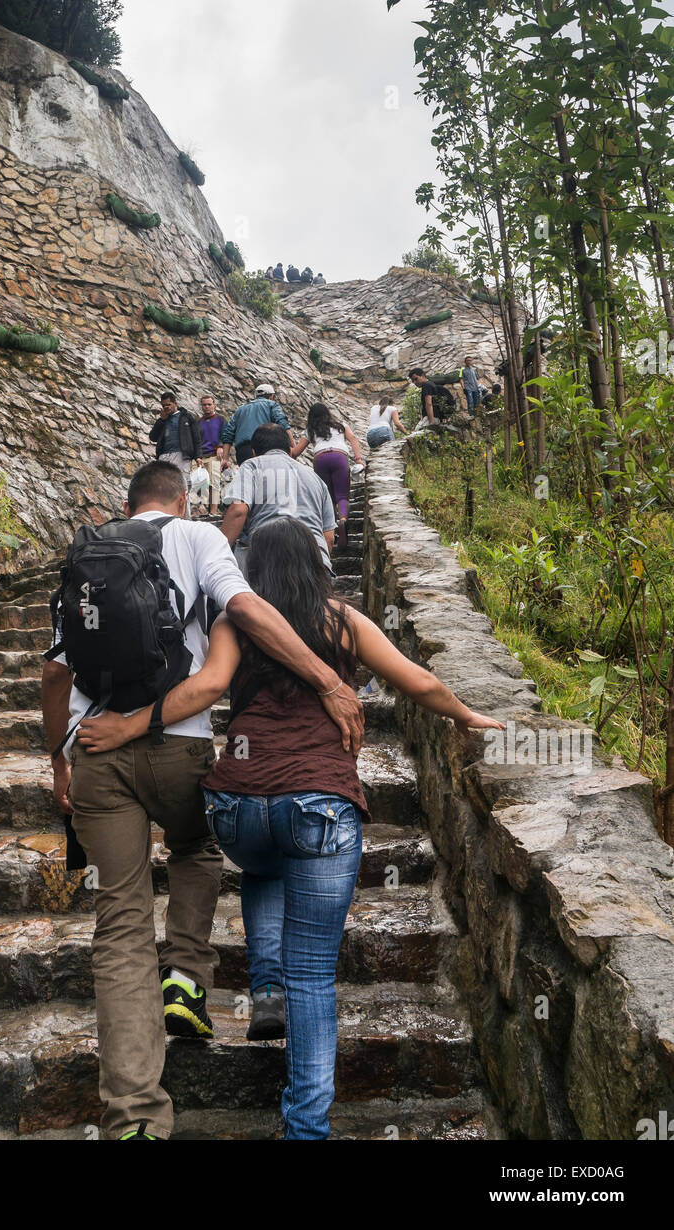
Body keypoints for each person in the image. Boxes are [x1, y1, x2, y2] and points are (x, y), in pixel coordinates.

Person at [78, 516, 505, 1141]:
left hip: (239, 808)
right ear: (315, 565)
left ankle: (267, 985)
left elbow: (211, 684)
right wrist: (470, 714)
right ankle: (305, 1124)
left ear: (254, 571)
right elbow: (418, 681)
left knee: (264, 861)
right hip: (320, 807)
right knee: (316, 973)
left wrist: (131, 723)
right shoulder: (342, 620)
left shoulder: (233, 624)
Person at [41, 463, 364, 1143]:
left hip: (94, 750)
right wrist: (326, 678)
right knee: (194, 845)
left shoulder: (87, 553)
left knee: (120, 926)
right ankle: (187, 974)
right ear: (182, 499)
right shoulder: (196, 538)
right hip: (179, 743)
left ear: (125, 503)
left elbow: (55, 669)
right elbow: (243, 609)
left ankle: (133, 1119)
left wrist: (58, 760)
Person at [221, 423, 336, 574]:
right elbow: (329, 537)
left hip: (270, 562)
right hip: (316, 561)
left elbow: (238, 510)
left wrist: (217, 554)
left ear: (254, 452)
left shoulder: (252, 466)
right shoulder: (315, 478)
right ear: (289, 451)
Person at [290, 403, 363, 551]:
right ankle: (342, 519)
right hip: (339, 456)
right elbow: (354, 438)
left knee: (327, 497)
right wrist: (359, 459)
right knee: (342, 496)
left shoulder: (310, 431)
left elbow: (295, 453)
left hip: (320, 458)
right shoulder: (340, 426)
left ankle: (331, 529)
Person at [220, 382, 291, 467]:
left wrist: (225, 458)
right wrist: (293, 447)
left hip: (243, 452)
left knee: (248, 478)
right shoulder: (272, 405)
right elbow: (283, 424)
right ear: (271, 396)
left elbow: (228, 434)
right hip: (265, 449)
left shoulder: (240, 410)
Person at [148, 390, 202, 481]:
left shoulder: (187, 417)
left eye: (168, 405)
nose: (166, 407)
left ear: (175, 403)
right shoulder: (162, 420)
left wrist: (198, 456)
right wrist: (162, 420)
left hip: (182, 455)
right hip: (164, 456)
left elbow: (197, 438)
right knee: (163, 485)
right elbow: (153, 437)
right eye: (164, 405)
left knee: (181, 483)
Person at [198, 394, 227, 517]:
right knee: (202, 484)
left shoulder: (221, 419)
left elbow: (225, 435)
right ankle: (203, 508)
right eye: (204, 405)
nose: (207, 407)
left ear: (214, 405)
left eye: (209, 404)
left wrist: (221, 447)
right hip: (202, 456)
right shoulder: (198, 422)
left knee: (214, 483)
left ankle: (213, 511)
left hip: (215, 454)